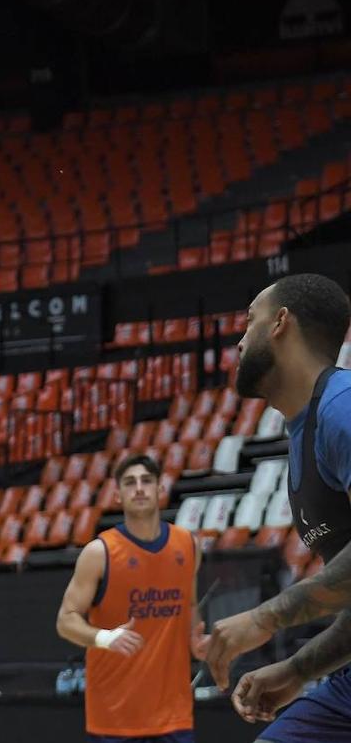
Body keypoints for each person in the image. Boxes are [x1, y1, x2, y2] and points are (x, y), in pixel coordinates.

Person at [201, 273, 351, 739]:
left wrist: (265, 618)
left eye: (250, 322)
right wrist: (299, 669)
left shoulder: (342, 407)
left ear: (281, 322)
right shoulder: (306, 428)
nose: (241, 340)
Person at [56, 454, 207, 743]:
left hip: (174, 715)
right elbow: (65, 620)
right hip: (115, 719)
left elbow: (189, 605)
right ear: (117, 495)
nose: (139, 488)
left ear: (161, 489)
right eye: (130, 482)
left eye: (147, 481)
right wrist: (104, 638)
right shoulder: (99, 552)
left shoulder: (188, 545)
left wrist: (195, 640)